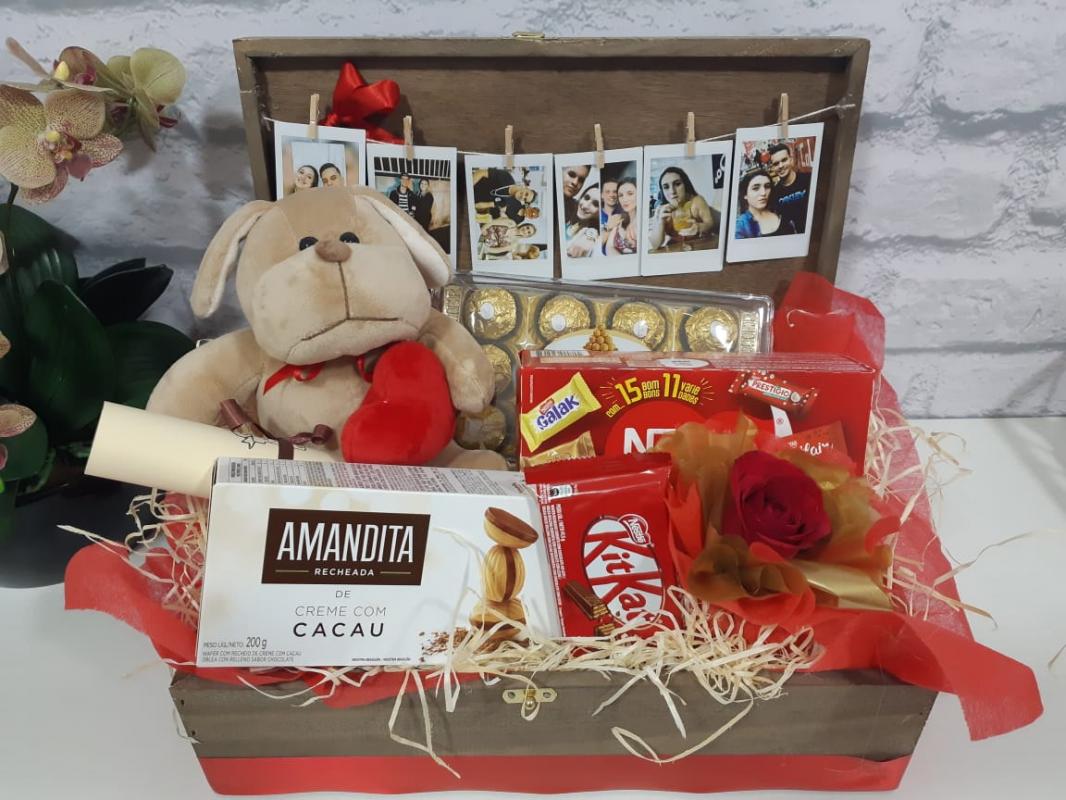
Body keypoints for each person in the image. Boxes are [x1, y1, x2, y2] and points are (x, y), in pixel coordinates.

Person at [647, 166, 718, 250]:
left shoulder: (696, 201)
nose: (672, 191)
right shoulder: (661, 211)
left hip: (700, 245)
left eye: (677, 184)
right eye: (666, 187)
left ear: (685, 185)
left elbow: (711, 224)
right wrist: (660, 222)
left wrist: (698, 227)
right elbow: (655, 245)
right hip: (676, 248)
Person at [734, 168, 798, 239]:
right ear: (745, 194)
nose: (763, 193)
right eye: (756, 188)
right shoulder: (740, 226)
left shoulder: (781, 211)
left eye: (767, 186)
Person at [767, 142, 812, 233]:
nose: (780, 166)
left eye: (784, 160)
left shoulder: (809, 180)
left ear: (791, 160)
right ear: (772, 167)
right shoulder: (774, 194)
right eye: (776, 164)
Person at [604, 176, 639, 256]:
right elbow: (609, 247)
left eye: (630, 194)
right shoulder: (618, 218)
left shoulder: (644, 220)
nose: (624, 199)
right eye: (620, 195)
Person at [564, 183, 600, 258]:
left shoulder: (592, 232)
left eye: (595, 204)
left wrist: (589, 238)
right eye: (586, 198)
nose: (585, 206)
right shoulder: (570, 209)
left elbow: (592, 234)